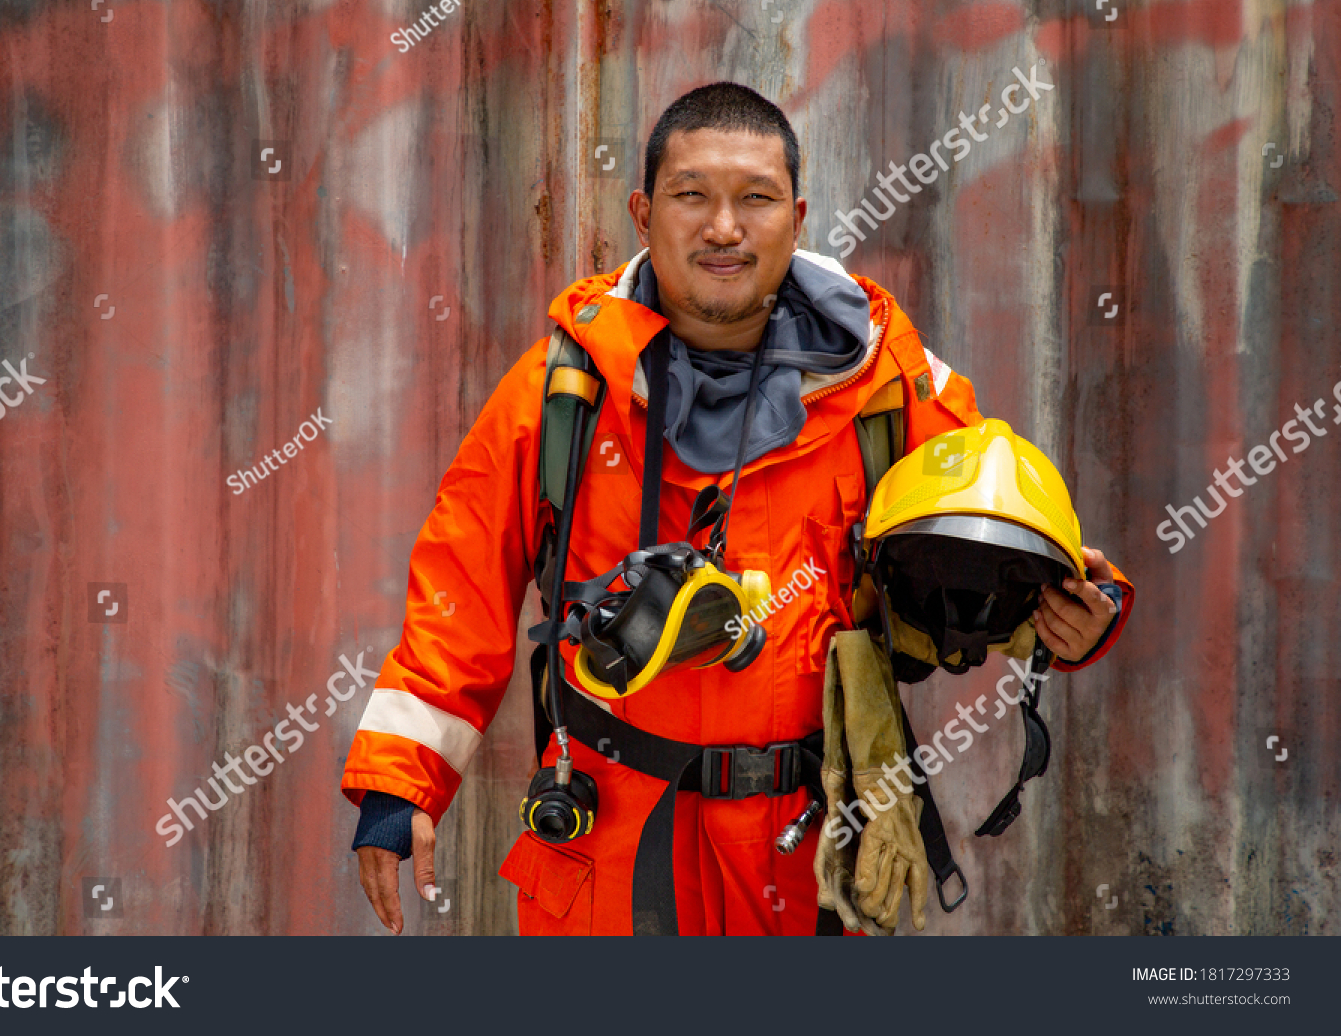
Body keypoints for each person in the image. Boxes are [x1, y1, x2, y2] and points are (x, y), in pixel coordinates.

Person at [340, 82, 1133, 936]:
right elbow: (459, 598)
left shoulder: (883, 386)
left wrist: (1088, 610)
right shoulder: (561, 393)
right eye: (692, 197)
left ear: (796, 216)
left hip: (807, 858)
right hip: (609, 853)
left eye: (754, 199)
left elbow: (1005, 531)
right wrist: (398, 786)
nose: (723, 228)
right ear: (643, 213)